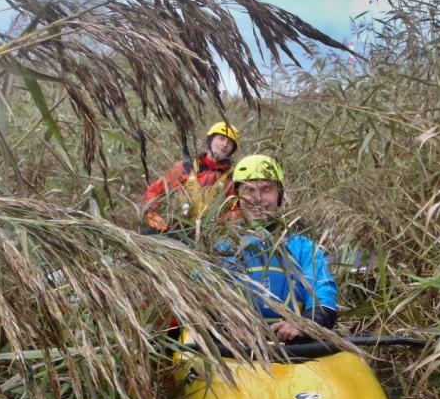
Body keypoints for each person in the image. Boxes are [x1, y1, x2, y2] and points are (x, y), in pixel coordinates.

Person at [222, 154, 338, 343]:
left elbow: (323, 298)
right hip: (234, 350)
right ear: (238, 199)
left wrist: (304, 324)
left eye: (266, 189)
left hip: (296, 349)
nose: (257, 198)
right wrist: (227, 324)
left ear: (279, 195)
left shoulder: (304, 248)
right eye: (248, 190)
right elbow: (200, 300)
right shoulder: (222, 248)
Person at [143, 121, 240, 233]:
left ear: (232, 149)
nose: (224, 145)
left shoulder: (232, 178)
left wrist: (220, 223)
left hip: (206, 238)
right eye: (221, 138)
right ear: (210, 140)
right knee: (146, 234)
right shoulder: (184, 167)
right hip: (173, 230)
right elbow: (153, 192)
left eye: (230, 143)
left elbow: (237, 210)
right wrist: (153, 214)